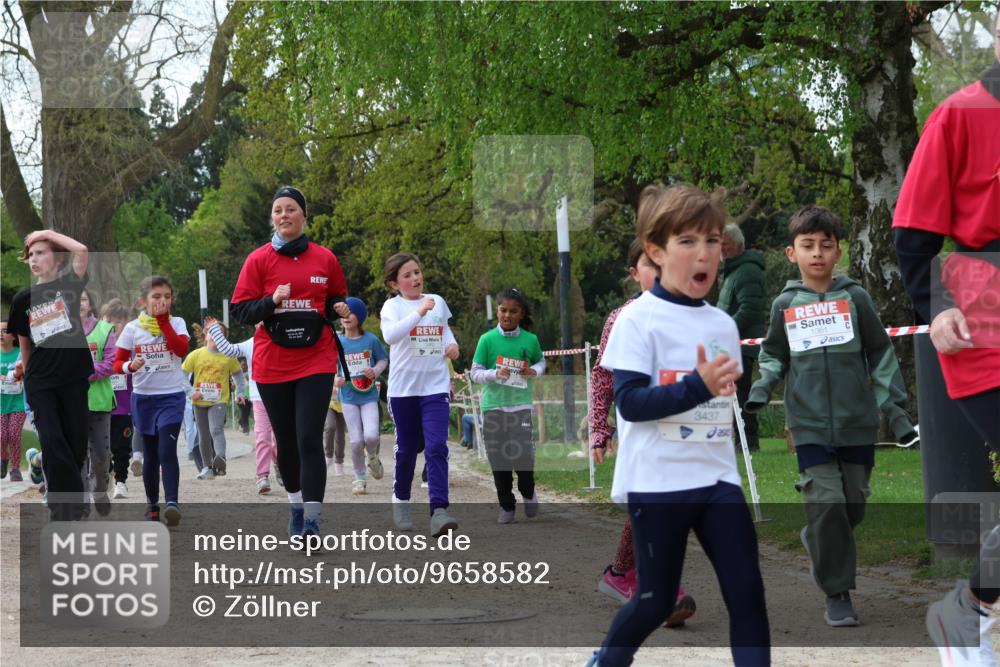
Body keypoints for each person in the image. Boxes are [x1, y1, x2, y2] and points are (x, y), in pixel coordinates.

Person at [589, 184, 770, 667]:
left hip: (716, 481)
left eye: (712, 241)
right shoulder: (637, 320)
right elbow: (628, 403)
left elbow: (716, 399)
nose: (703, 253)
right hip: (657, 482)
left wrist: (717, 393)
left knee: (748, 593)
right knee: (655, 601)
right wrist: (697, 386)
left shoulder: (722, 325)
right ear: (656, 250)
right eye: (687, 241)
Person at [745, 206, 916, 627]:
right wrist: (763, 386)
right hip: (808, 424)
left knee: (851, 506)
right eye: (808, 246)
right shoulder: (785, 303)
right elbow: (773, 353)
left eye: (826, 245)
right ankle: (837, 592)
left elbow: (879, 352)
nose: (817, 253)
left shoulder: (855, 298)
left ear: (838, 251)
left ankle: (819, 538)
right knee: (826, 502)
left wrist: (895, 411)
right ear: (792, 253)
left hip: (857, 421)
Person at [893, 16, 1000, 664]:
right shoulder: (959, 115)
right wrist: (933, 305)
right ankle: (969, 609)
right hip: (983, 315)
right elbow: (914, 230)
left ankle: (972, 609)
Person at [231, 186, 349, 540]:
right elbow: (241, 311)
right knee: (286, 441)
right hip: (273, 361)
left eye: (291, 209)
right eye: (278, 210)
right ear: (273, 218)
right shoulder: (259, 259)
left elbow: (335, 300)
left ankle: (313, 520)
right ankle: (296, 507)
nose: (284, 215)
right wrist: (271, 300)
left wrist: (340, 309)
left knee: (309, 437)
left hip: (317, 357)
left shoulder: (325, 258)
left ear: (303, 215)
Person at [591, 238, 697, 628]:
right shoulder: (623, 318)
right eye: (650, 265)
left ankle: (622, 573)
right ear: (635, 274)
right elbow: (602, 377)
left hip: (684, 427)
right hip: (641, 427)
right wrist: (599, 430)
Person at [7, 230, 93, 520]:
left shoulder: (68, 286)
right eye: (30, 254)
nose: (34, 259)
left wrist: (45, 233)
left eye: (40, 252)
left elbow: (81, 250)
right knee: (53, 442)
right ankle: (63, 509)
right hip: (41, 381)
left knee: (76, 444)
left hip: (73, 376)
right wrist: (26, 375)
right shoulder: (22, 300)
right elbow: (25, 344)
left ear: (56, 259)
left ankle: (70, 500)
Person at [380, 252, 460, 536]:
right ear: (394, 284)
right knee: (407, 450)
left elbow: (445, 331)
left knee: (437, 446)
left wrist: (452, 346)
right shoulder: (393, 307)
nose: (415, 278)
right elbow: (391, 336)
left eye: (417, 271)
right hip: (404, 390)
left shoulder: (437, 301)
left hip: (435, 387)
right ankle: (401, 500)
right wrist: (418, 312)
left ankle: (439, 510)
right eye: (407, 275)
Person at [112, 275, 190, 526]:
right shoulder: (133, 329)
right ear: (142, 301)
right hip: (144, 399)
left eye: (167, 297)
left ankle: (172, 504)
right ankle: (152, 505)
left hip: (171, 397)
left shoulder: (177, 323)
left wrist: (163, 322)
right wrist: (129, 366)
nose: (162, 301)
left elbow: (180, 349)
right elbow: (116, 363)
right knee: (151, 454)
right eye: (156, 297)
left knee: (167, 450)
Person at [469, 288, 545, 523]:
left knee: (523, 456)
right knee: (498, 459)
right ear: (498, 311)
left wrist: (534, 370)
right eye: (503, 310)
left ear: (521, 314)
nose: (507, 316)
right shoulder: (487, 339)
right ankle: (506, 505)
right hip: (493, 406)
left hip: (520, 405)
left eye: (513, 311)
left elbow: (541, 361)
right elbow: (474, 373)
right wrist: (494, 374)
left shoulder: (530, 340)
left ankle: (528, 490)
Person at [204, 317, 277, 494]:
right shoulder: (251, 343)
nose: (262, 324)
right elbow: (228, 350)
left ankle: (280, 466)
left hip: (281, 396)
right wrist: (214, 329)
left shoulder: (281, 340)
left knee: (279, 439)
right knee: (263, 436)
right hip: (259, 396)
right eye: (259, 321)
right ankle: (262, 476)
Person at [718, 223, 767, 452]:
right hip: (734, 343)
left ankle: (749, 441)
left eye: (724, 245)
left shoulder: (746, 271)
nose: (721, 249)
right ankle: (740, 440)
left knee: (741, 392)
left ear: (737, 244)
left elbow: (750, 309)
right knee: (733, 393)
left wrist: (725, 330)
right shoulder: (735, 270)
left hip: (741, 345)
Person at [334, 297, 388, 496]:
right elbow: (329, 366)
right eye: (343, 314)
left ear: (361, 317)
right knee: (356, 441)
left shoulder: (371, 340)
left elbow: (383, 359)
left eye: (352, 313)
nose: (347, 318)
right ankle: (359, 477)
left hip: (368, 396)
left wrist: (375, 370)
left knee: (371, 435)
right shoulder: (337, 341)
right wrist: (335, 380)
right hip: (347, 397)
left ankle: (372, 456)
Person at [183, 323, 246, 479]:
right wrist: (191, 392)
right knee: (203, 434)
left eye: (220, 333)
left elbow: (238, 374)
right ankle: (207, 468)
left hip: (219, 400)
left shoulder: (228, 356)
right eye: (212, 332)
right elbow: (182, 375)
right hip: (199, 401)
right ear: (206, 335)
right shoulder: (196, 355)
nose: (215, 336)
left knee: (216, 429)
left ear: (223, 337)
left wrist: (240, 392)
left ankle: (221, 458)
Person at [77, 288, 117, 516]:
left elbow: (110, 363)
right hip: (73, 403)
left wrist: (82, 374)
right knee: (79, 455)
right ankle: (83, 503)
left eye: (83, 298)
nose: (79, 303)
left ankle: (100, 491)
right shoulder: (63, 333)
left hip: (99, 402)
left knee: (101, 456)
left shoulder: (104, 330)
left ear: (90, 304)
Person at [101, 299, 134, 500]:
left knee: (121, 447)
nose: (113, 325)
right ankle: (109, 472)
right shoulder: (97, 347)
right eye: (109, 320)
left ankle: (121, 482)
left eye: (118, 321)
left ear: (125, 323)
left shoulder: (131, 348)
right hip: (101, 406)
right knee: (101, 449)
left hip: (124, 407)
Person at [1, 319, 26, 482]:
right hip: (1, 402)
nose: (0, 334)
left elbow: (26, 370)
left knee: (14, 434)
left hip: (18, 401)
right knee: (2, 435)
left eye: (4, 330)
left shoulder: (20, 352)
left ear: (13, 335)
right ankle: (3, 459)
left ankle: (16, 469)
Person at [324, 393, 347, 474]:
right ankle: (328, 456)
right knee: (330, 427)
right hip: (330, 404)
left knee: (340, 435)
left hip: (344, 404)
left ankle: (339, 462)